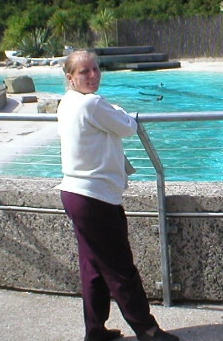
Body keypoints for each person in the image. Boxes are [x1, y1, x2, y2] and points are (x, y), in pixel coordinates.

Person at [56, 50, 180, 341]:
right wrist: (118, 110)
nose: (93, 75)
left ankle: (95, 331)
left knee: (93, 267)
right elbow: (128, 127)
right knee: (120, 268)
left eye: (96, 69)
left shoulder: (67, 103)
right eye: (84, 71)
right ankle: (147, 330)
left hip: (74, 193)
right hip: (94, 198)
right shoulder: (93, 104)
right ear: (70, 77)